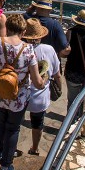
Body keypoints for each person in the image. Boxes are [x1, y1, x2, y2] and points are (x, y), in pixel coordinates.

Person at [0, 12, 43, 170]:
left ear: (7, 28)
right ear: (23, 32)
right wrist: (43, 83)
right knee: (13, 128)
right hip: (18, 98)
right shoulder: (28, 49)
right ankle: (5, 166)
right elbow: (37, 81)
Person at [23, 18, 62, 155]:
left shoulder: (20, 49)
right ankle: (35, 148)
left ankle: (11, 149)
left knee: (14, 124)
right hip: (40, 97)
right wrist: (59, 88)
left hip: (21, 95)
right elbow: (57, 74)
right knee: (38, 123)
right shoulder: (49, 49)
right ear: (40, 36)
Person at [25, 0, 71, 98]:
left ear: (37, 7)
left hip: (27, 63)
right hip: (48, 64)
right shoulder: (55, 25)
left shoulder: (28, 20)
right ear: (49, 9)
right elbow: (66, 49)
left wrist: (31, 9)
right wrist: (58, 54)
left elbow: (24, 15)